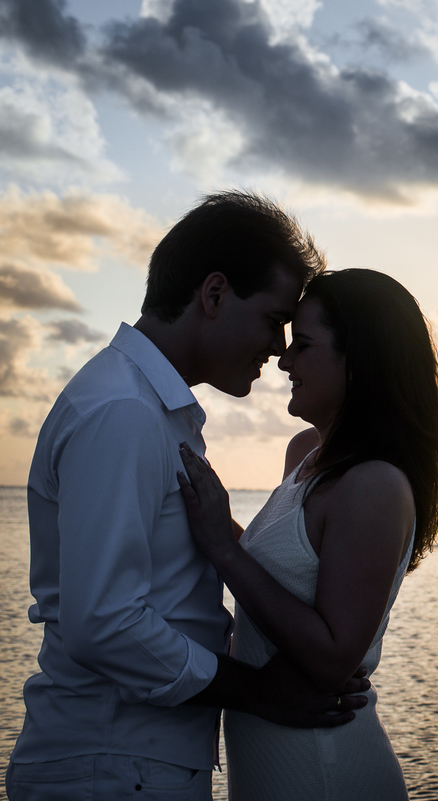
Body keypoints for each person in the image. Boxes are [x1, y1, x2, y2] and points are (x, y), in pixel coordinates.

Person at [8, 191, 371, 801]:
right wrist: (260, 693)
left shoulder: (148, 410)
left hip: (132, 764)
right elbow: (103, 624)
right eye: (272, 319)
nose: (280, 348)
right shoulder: (122, 414)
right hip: (113, 767)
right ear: (214, 295)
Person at [177, 268, 438, 799]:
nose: (284, 361)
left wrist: (220, 547)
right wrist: (207, 521)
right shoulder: (304, 453)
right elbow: (281, 572)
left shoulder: (374, 483)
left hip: (323, 766)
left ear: (360, 362)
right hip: (271, 760)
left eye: (302, 345)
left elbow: (333, 657)